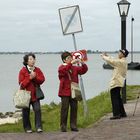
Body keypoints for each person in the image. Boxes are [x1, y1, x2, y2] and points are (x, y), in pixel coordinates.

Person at [58, 51, 88, 132]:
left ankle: (73, 125)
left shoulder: (74, 68)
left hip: (74, 90)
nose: (70, 59)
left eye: (71, 57)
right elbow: (64, 71)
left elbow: (83, 70)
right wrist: (71, 63)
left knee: (74, 108)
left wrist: (83, 63)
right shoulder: (61, 67)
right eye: (68, 58)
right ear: (64, 60)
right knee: (65, 109)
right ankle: (63, 126)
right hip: (64, 91)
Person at [18, 53, 45, 133]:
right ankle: (27, 128)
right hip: (26, 95)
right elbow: (21, 84)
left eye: (33, 59)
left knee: (37, 110)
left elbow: (42, 80)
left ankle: (38, 127)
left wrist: (35, 77)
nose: (32, 60)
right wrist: (29, 78)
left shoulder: (38, 70)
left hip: (35, 94)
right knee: (25, 112)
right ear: (26, 61)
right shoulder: (22, 70)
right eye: (30, 59)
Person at [101, 49, 129, 120]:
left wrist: (103, 56)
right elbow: (114, 61)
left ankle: (116, 114)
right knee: (118, 98)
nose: (118, 53)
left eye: (120, 52)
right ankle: (122, 113)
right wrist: (108, 56)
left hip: (116, 82)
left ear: (123, 54)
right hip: (119, 82)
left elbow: (113, 61)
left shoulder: (121, 62)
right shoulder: (123, 61)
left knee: (114, 98)